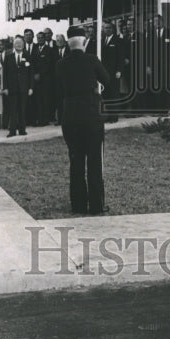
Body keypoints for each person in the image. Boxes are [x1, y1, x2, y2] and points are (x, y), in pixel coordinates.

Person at [55, 25, 110, 216]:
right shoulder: (92, 60)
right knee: (94, 160)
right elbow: (107, 80)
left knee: (76, 160)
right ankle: (96, 205)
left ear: (68, 44)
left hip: (70, 115)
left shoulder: (60, 64)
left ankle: (78, 204)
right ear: (84, 42)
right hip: (91, 114)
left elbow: (58, 89)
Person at [3, 37, 32, 136]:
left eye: (20, 43)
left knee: (22, 110)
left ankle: (22, 130)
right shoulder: (8, 57)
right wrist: (5, 88)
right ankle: (12, 131)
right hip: (12, 88)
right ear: (14, 45)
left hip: (24, 88)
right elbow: (5, 74)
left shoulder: (28, 56)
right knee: (12, 110)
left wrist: (31, 88)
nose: (19, 45)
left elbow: (31, 73)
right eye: (17, 43)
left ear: (23, 45)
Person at [100, 20, 125, 121]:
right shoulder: (101, 41)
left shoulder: (118, 41)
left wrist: (119, 70)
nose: (107, 30)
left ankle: (114, 117)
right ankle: (107, 116)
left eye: (109, 28)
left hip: (114, 72)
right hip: (103, 72)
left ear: (113, 29)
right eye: (105, 28)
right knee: (105, 94)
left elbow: (121, 57)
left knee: (114, 94)